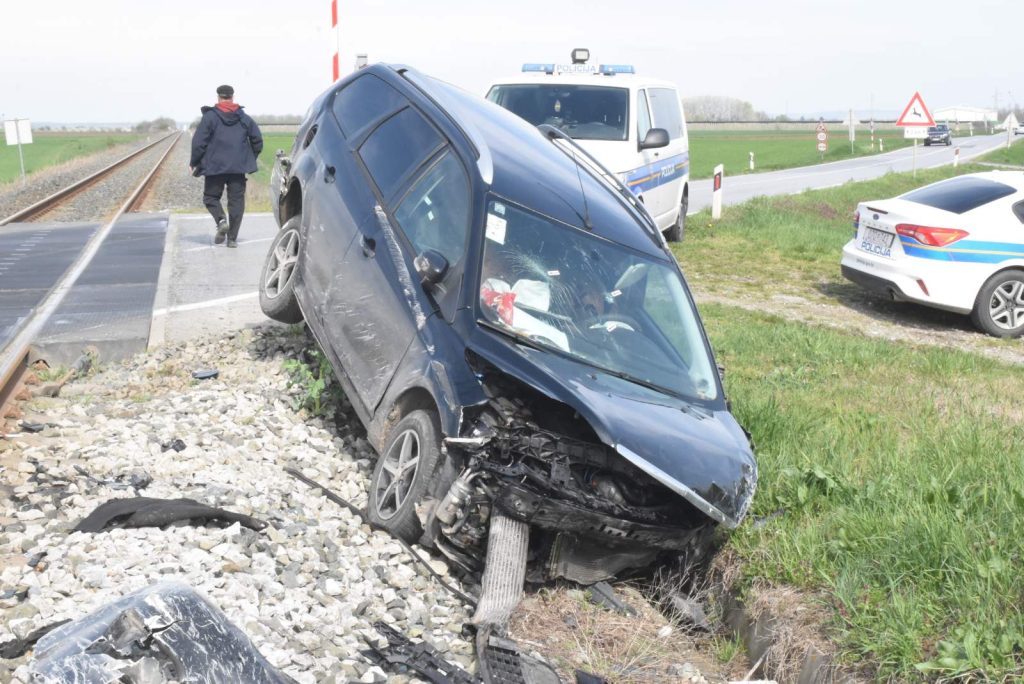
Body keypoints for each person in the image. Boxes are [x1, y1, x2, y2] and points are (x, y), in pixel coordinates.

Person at [189, 85, 263, 248]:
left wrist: (194, 162)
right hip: (238, 169)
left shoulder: (210, 117)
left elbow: (199, 143)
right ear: (232, 97)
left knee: (210, 198)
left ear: (218, 97)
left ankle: (221, 221)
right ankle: (232, 239)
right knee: (236, 202)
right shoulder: (244, 118)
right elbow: (257, 140)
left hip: (214, 167)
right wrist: (248, 158)